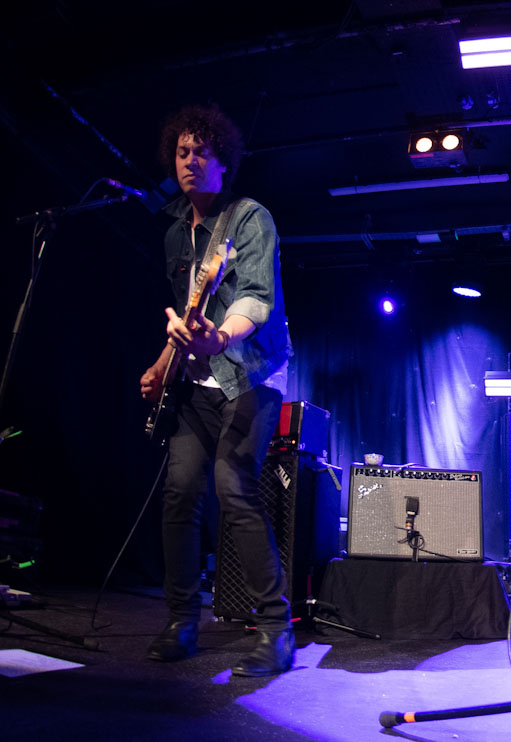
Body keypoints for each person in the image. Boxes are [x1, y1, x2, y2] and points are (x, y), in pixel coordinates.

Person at [138, 104, 295, 676]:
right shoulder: (177, 229)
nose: (189, 160)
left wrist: (219, 339)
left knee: (234, 489)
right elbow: (186, 314)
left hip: (249, 374)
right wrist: (162, 364)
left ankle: (276, 629)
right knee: (180, 494)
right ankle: (182, 620)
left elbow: (255, 297)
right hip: (194, 382)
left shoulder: (250, 219)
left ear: (222, 161)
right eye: (181, 152)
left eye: (200, 151)